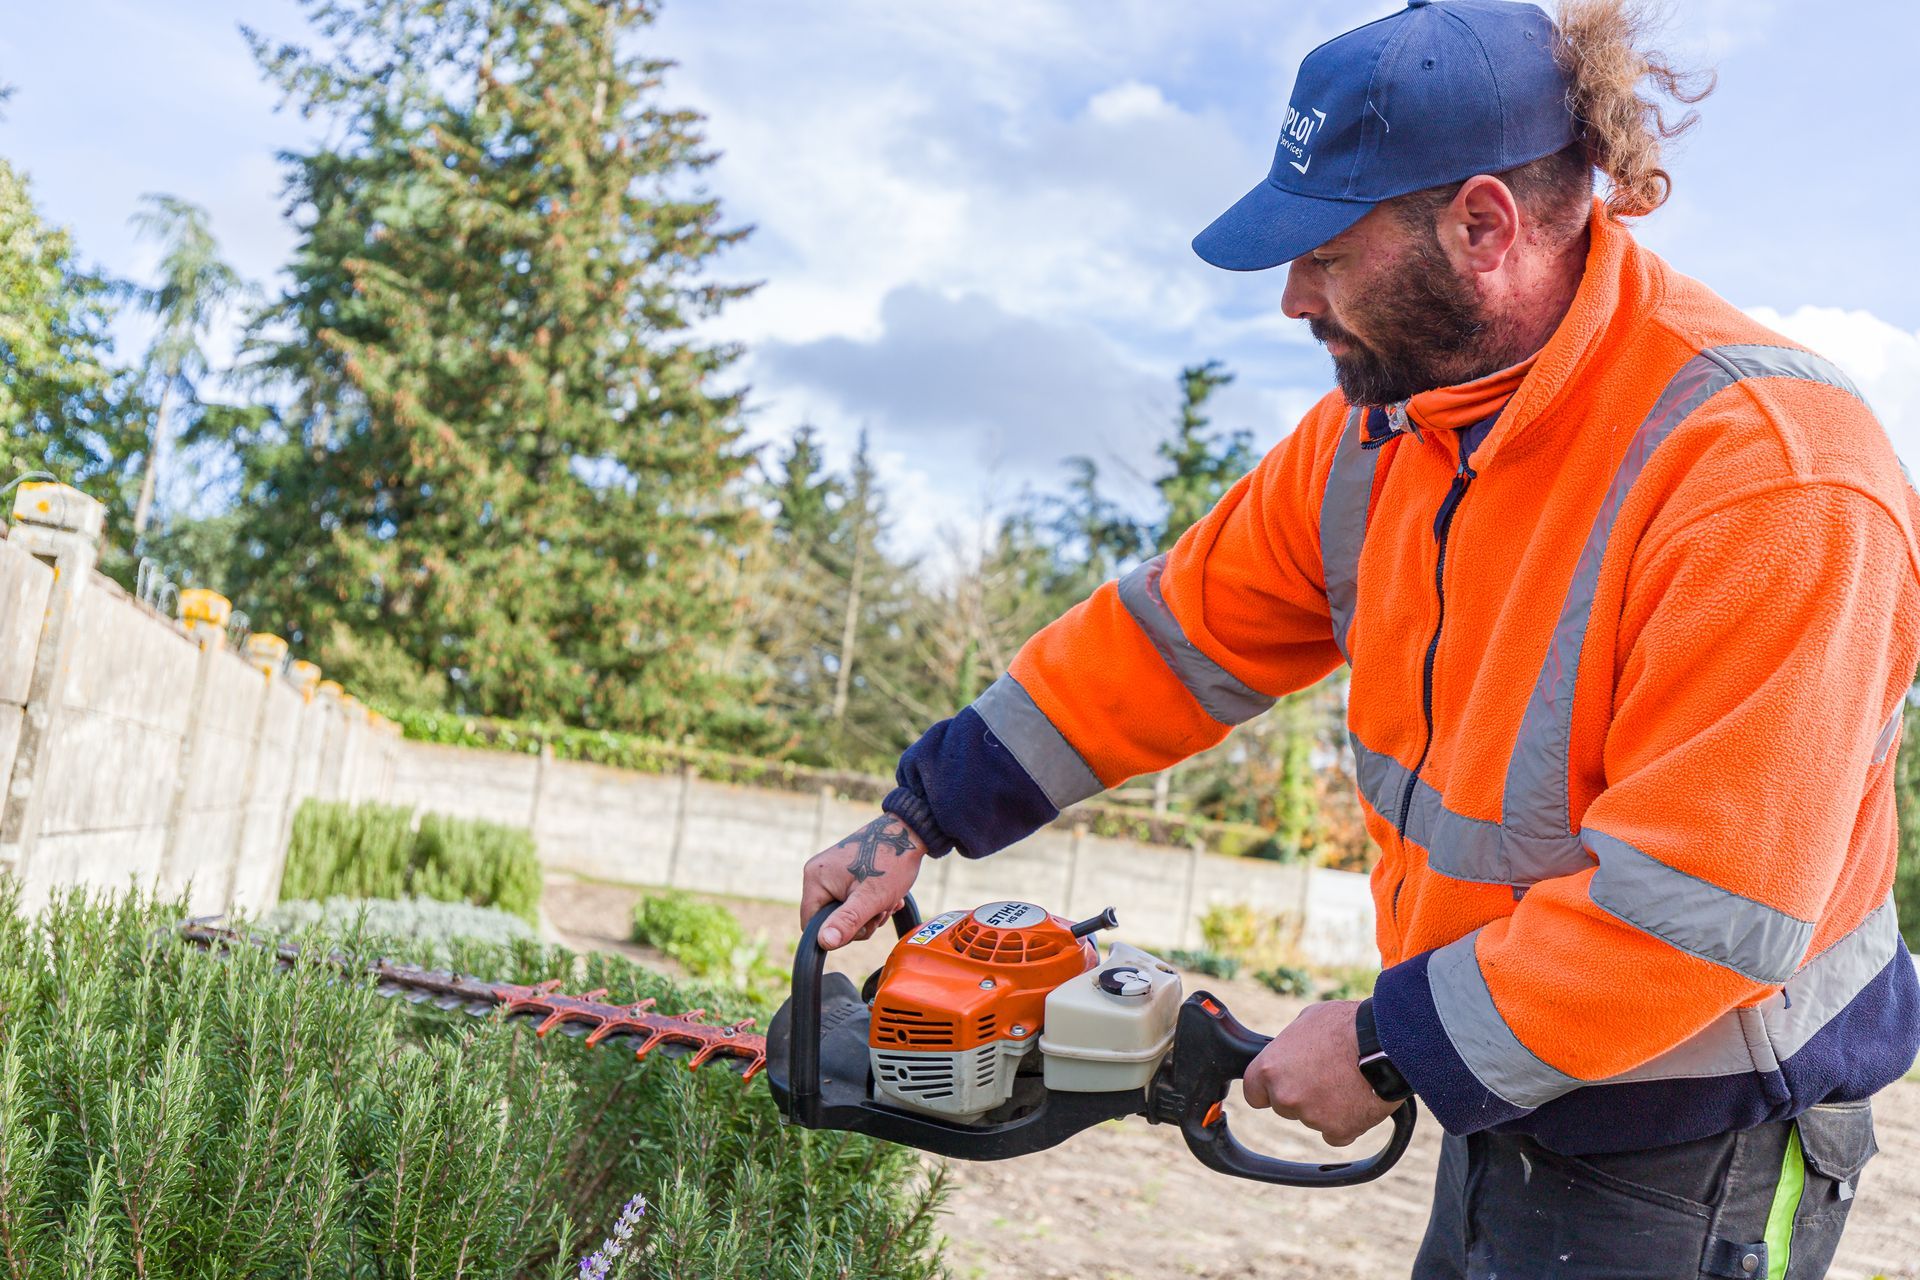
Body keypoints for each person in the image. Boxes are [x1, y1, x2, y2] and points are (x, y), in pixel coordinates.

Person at [798, 1, 1920, 1275]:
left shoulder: (1772, 478)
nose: (1291, 297)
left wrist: (1390, 1045)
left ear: (1484, 227)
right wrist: (918, 817)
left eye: (1326, 254)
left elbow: (1702, 915)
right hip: (1511, 1082)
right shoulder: (1385, 438)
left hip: (1702, 1140)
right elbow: (1165, 641)